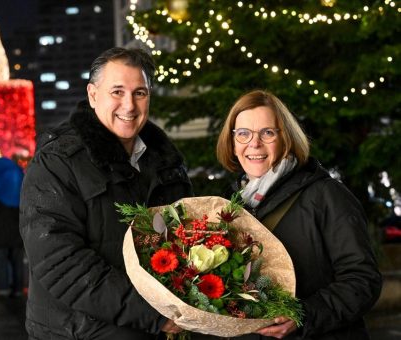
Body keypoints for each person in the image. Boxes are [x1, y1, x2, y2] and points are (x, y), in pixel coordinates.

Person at [20, 47, 193, 339]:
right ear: (92, 95)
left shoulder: (167, 163)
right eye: (117, 92)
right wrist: (151, 315)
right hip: (78, 332)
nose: (129, 105)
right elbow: (60, 263)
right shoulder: (59, 161)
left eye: (140, 93)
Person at [213, 90, 382, 340]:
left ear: (286, 138)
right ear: (232, 142)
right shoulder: (229, 205)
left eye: (267, 133)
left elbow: (362, 280)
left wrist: (302, 315)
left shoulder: (326, 195)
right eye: (243, 134)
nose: (254, 143)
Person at [0, 196, 25, 299]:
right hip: (16, 236)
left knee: (0, 263)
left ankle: (3, 289)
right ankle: (18, 289)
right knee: (17, 264)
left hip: (0, 237)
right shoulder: (17, 197)